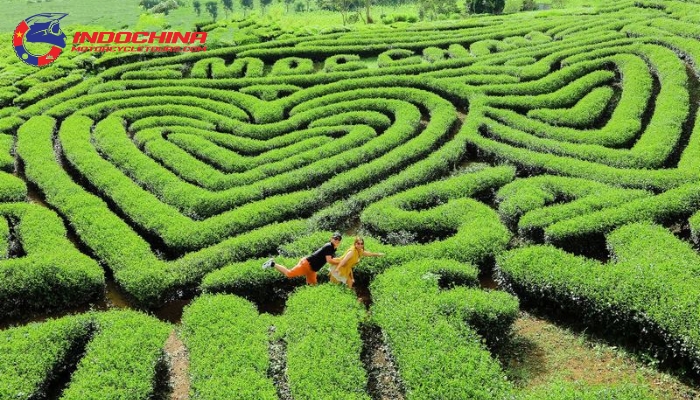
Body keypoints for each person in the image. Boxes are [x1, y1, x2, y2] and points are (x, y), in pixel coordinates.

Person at [262, 232, 343, 285]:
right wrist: (340, 262)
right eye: (335, 238)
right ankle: (272, 264)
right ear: (331, 238)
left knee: (313, 286)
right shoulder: (329, 246)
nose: (336, 240)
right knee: (289, 274)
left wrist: (341, 260)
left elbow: (331, 259)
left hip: (312, 269)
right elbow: (329, 260)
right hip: (307, 265)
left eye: (338, 240)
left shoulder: (333, 249)